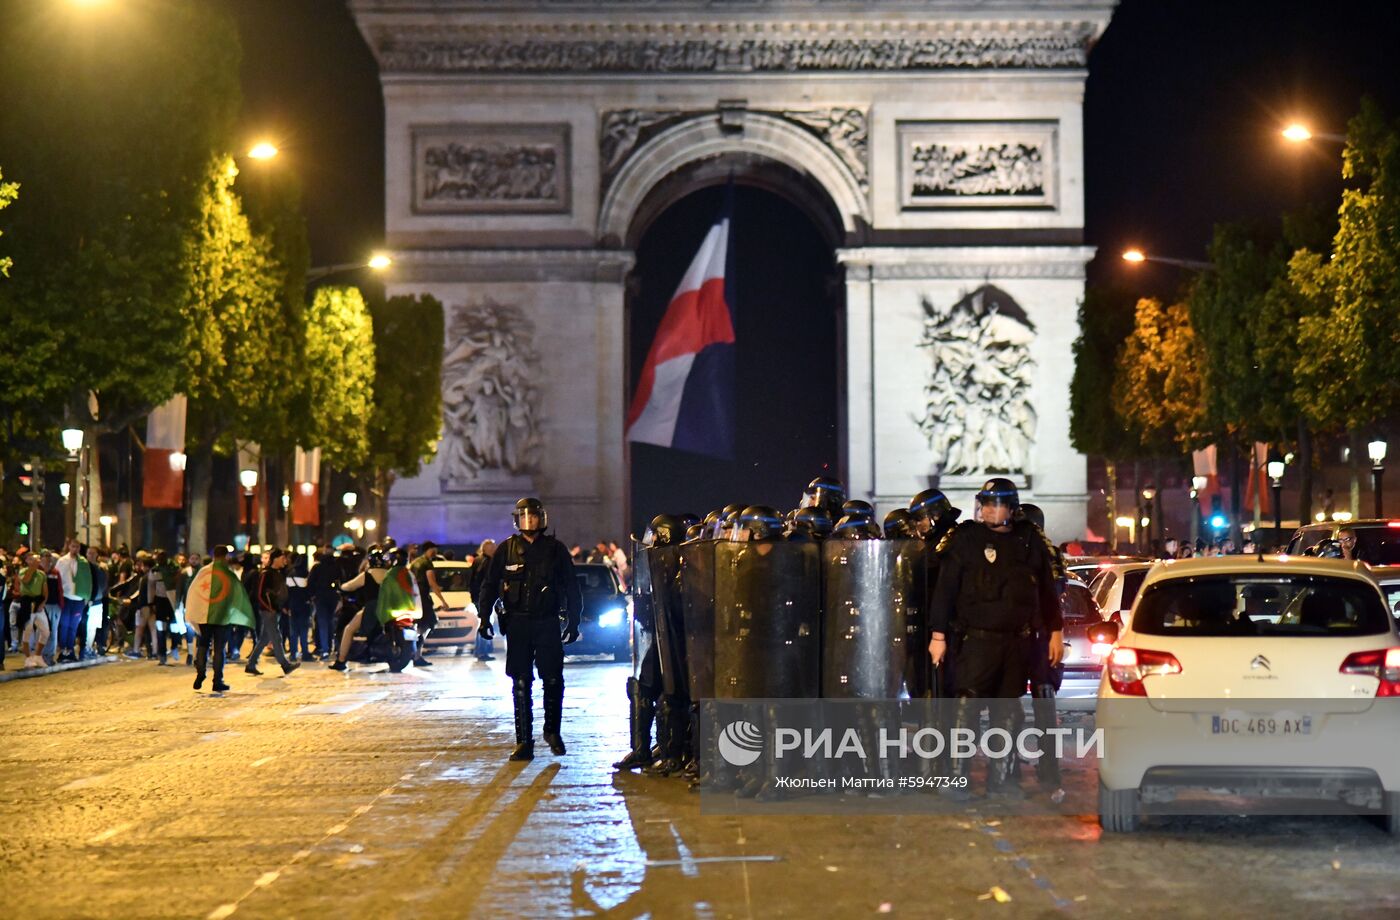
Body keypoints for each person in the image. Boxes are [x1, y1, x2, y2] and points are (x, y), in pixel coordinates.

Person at [928, 478, 1063, 797]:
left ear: (1011, 508)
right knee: (966, 707)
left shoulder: (1028, 540)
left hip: (1016, 642)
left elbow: (1046, 588)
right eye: (984, 503)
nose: (987, 510)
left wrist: (1055, 631)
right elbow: (945, 589)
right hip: (976, 640)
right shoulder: (966, 539)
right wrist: (938, 635)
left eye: (994, 504)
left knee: (1007, 711)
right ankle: (957, 779)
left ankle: (1000, 781)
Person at [476, 497, 583, 761]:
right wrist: (483, 617)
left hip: (547, 621)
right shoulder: (506, 549)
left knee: (553, 678)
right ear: (517, 520)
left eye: (534, 516)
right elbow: (489, 585)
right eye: (524, 516)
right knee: (521, 681)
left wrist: (574, 618)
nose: (530, 520)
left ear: (542, 519)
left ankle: (552, 731)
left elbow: (571, 586)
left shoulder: (555, 549)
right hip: (518, 622)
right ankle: (524, 741)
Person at [184, 545, 259, 693]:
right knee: (219, 649)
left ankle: (200, 674)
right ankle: (217, 681)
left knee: (203, 645)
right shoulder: (228, 574)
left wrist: (195, 611)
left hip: (204, 616)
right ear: (225, 556)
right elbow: (237, 595)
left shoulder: (203, 572)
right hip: (222, 617)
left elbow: (193, 592)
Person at [245, 549, 298, 677]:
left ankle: (251, 665)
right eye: (282, 558)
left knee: (264, 639)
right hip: (268, 611)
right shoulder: (266, 573)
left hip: (275, 610)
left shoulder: (278, 573)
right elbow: (259, 593)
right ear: (275, 559)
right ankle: (285, 665)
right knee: (276, 637)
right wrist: (269, 607)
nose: (285, 561)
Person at [410, 541, 450, 667]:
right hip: (423, 599)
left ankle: (415, 653)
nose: (436, 552)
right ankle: (417, 655)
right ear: (429, 549)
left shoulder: (414, 562)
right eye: (434, 549)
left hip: (413, 597)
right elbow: (432, 583)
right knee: (428, 624)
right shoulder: (427, 563)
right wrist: (443, 601)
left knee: (420, 626)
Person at [307, 546, 340, 661]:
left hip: (320, 598)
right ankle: (331, 647)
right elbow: (341, 580)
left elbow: (310, 583)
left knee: (322, 623)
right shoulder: (336, 566)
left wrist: (312, 595)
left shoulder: (317, 567)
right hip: (333, 597)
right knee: (331, 621)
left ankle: (325, 649)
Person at [469, 540, 497, 661]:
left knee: (483, 622)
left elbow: (472, 580)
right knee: (485, 622)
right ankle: (482, 652)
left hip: (479, 597)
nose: (494, 550)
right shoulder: (488, 562)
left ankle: (479, 651)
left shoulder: (477, 560)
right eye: (491, 548)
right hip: (484, 598)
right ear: (485, 549)